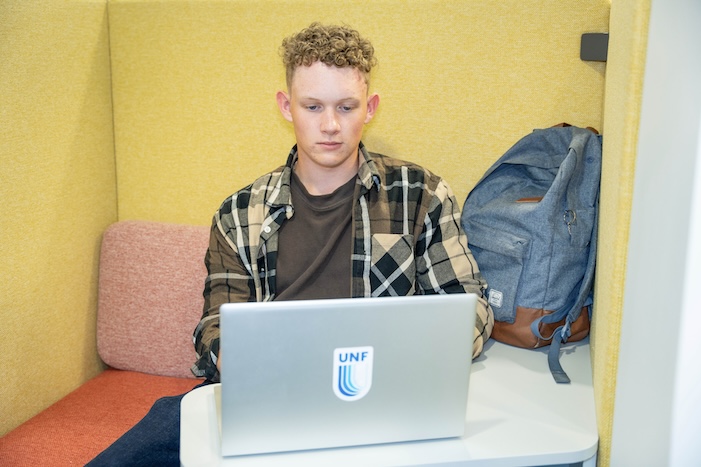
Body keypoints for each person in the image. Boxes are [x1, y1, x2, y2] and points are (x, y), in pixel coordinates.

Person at [88, 22, 493, 466]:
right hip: (267, 397)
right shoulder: (239, 214)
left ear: (370, 108)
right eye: (313, 106)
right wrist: (241, 366)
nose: (331, 125)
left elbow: (469, 306)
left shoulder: (421, 195)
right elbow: (214, 325)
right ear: (286, 106)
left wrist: (411, 365)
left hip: (380, 396)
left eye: (346, 106)